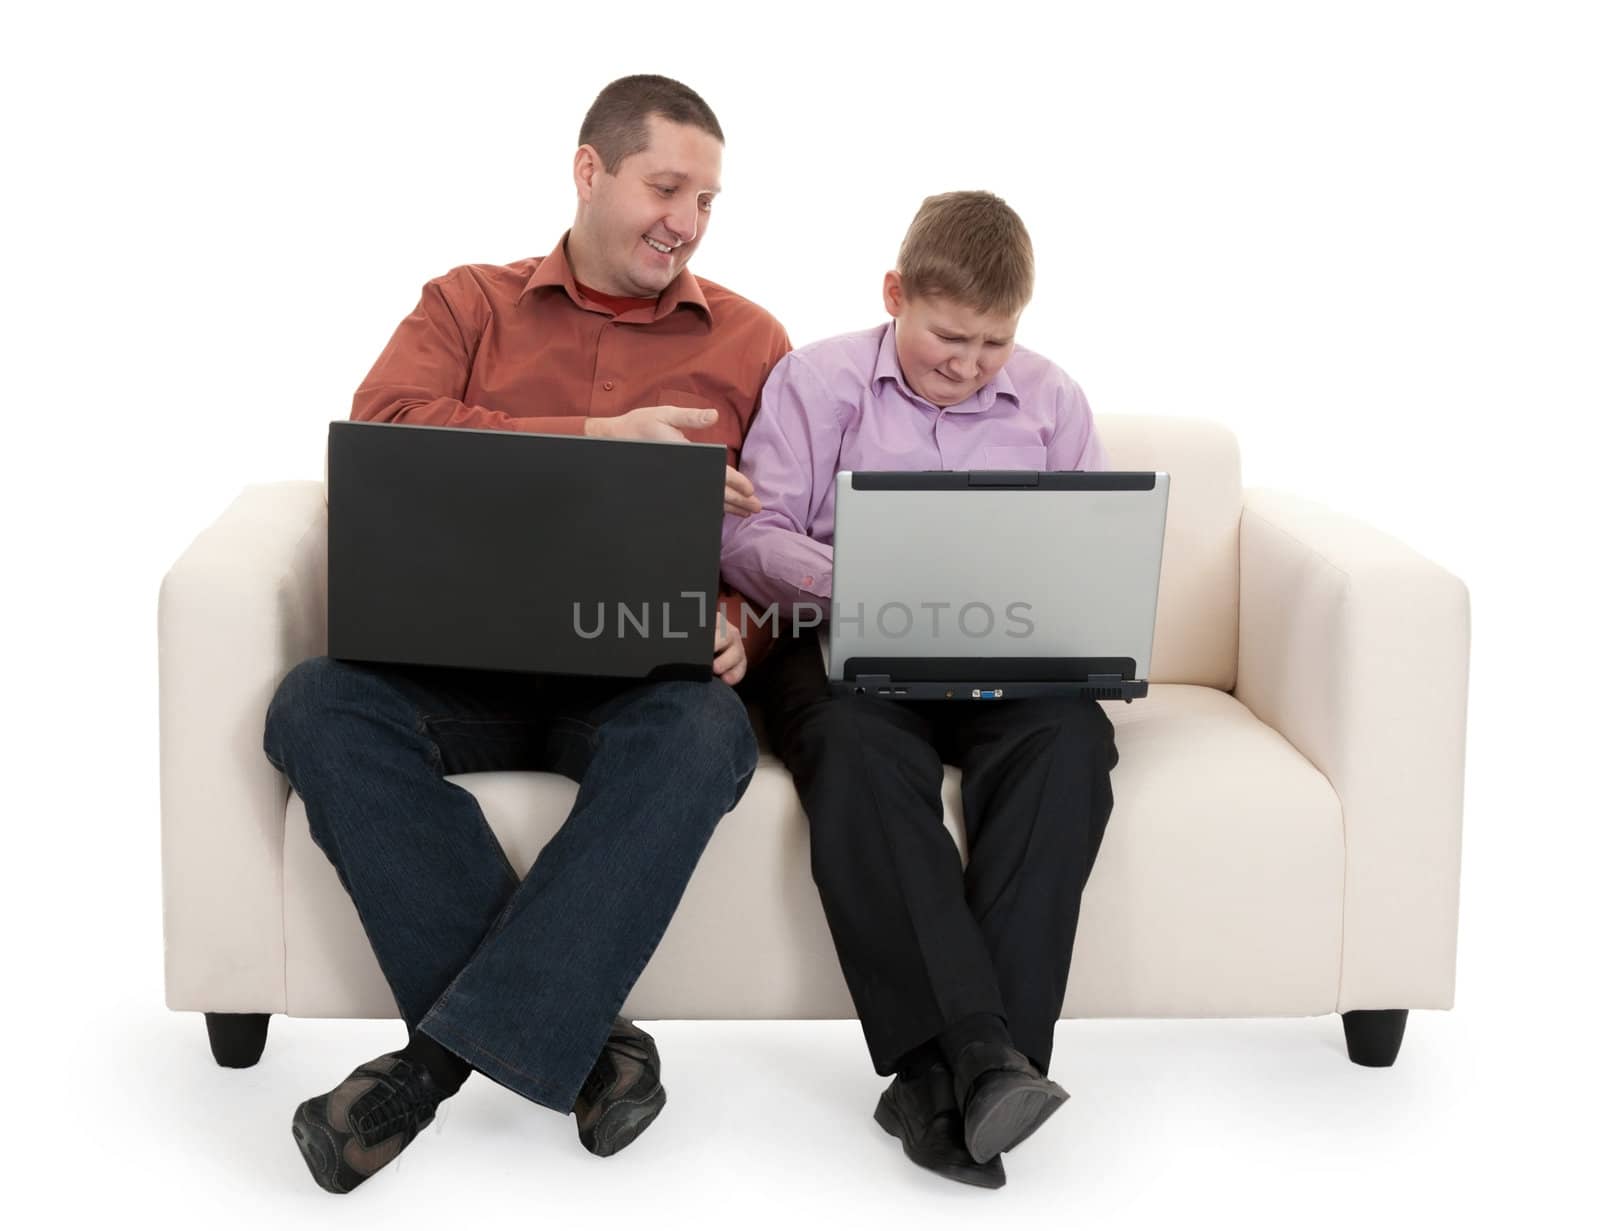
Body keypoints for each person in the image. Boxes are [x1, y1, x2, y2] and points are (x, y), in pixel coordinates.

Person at [262, 74, 790, 1194]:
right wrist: (604, 441)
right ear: (589, 171)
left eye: (708, 202)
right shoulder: (467, 303)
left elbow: (783, 529)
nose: (685, 222)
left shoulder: (751, 339)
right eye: (665, 186)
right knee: (315, 702)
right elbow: (389, 426)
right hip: (457, 667)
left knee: (706, 730)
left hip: (638, 681)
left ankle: (429, 1067)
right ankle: (590, 1044)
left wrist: (744, 622)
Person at [722, 191, 1118, 1189]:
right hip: (849, 644)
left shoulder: (1052, 399)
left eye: (993, 342)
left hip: (1005, 652)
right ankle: (985, 1057)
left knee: (1071, 745)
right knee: (855, 754)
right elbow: (751, 535)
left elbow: (1090, 547)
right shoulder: (817, 381)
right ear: (896, 294)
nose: (969, 363)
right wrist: (861, 582)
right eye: (949, 336)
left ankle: (955, 1080)